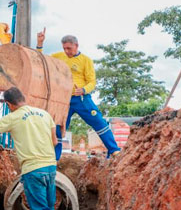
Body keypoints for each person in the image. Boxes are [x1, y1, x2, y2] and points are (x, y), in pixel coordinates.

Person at [37, 31, 121, 160]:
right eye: (64, 48)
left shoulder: (86, 60)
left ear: (76, 46)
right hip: (62, 100)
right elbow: (40, 61)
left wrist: (83, 90)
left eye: (69, 48)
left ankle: (114, 150)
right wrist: (40, 43)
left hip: (81, 99)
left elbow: (92, 81)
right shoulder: (58, 56)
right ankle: (54, 158)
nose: (66, 51)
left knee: (98, 121)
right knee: (58, 128)